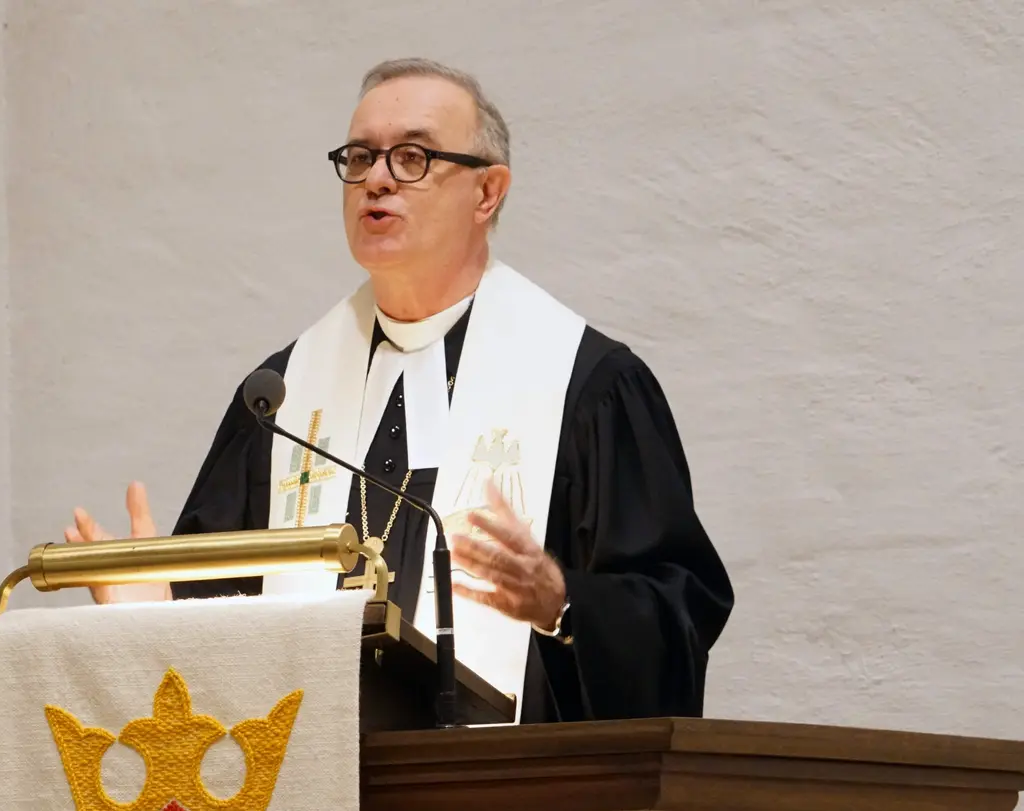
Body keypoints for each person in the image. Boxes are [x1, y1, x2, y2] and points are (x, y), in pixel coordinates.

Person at [64, 58, 734, 724]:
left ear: (487, 193)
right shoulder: (282, 398)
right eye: (359, 157)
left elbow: (676, 620)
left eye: (411, 156)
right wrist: (158, 610)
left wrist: (562, 603)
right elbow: (222, 649)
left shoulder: (586, 387)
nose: (375, 179)